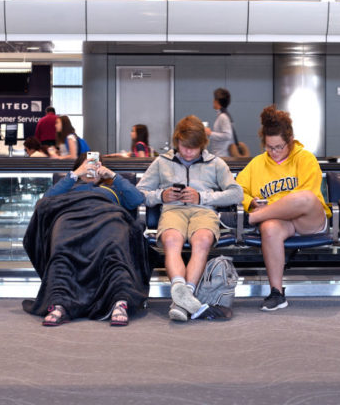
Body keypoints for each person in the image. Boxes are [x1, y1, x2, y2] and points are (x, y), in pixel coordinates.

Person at [137, 115, 243, 321]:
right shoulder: (162, 162)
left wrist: (202, 197)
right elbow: (139, 193)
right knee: (171, 240)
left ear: (201, 145)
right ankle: (184, 296)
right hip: (172, 210)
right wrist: (161, 195)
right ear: (177, 141)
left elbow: (236, 193)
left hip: (203, 211)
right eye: (183, 146)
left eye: (192, 148)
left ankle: (181, 300)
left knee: (202, 240)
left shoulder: (215, 163)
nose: (187, 152)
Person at [24, 155, 149, 326]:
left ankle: (120, 301)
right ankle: (60, 303)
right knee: (61, 247)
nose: (92, 170)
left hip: (107, 218)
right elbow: (45, 201)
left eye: (96, 166)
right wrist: (74, 175)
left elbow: (137, 199)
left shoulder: (111, 189)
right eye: (87, 165)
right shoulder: (68, 187)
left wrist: (112, 176)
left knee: (115, 246)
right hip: (71, 218)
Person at [236, 106, 331, 311]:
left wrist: (258, 212)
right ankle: (276, 293)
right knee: (269, 228)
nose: (274, 152)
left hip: (309, 221)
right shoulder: (256, 164)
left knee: (303, 197)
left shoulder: (305, 158)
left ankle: (250, 220)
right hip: (281, 222)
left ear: (290, 141)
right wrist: (251, 202)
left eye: (279, 146)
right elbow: (237, 189)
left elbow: (308, 197)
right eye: (270, 147)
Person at [205, 88, 235, 158]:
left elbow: (227, 135)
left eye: (214, 99)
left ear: (217, 101)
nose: (213, 101)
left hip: (222, 156)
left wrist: (210, 133)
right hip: (221, 155)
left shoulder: (223, 117)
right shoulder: (224, 115)